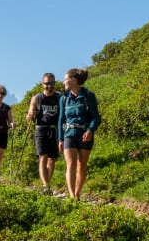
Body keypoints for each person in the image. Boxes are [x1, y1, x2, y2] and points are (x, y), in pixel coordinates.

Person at [58, 68, 101, 200]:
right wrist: (60, 138)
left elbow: (96, 117)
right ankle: (71, 195)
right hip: (69, 133)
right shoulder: (64, 98)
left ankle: (77, 194)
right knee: (70, 164)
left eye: (66, 79)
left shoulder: (89, 95)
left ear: (74, 80)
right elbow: (61, 119)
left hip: (84, 133)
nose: (64, 81)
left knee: (82, 165)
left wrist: (90, 130)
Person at [27, 73, 60, 193]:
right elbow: (29, 114)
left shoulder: (59, 97)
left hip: (55, 129)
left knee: (52, 159)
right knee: (42, 156)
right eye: (46, 83)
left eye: (51, 83)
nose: (49, 86)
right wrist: (31, 114)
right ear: (42, 84)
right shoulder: (37, 98)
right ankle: (46, 185)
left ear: (54, 84)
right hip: (41, 129)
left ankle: (47, 184)